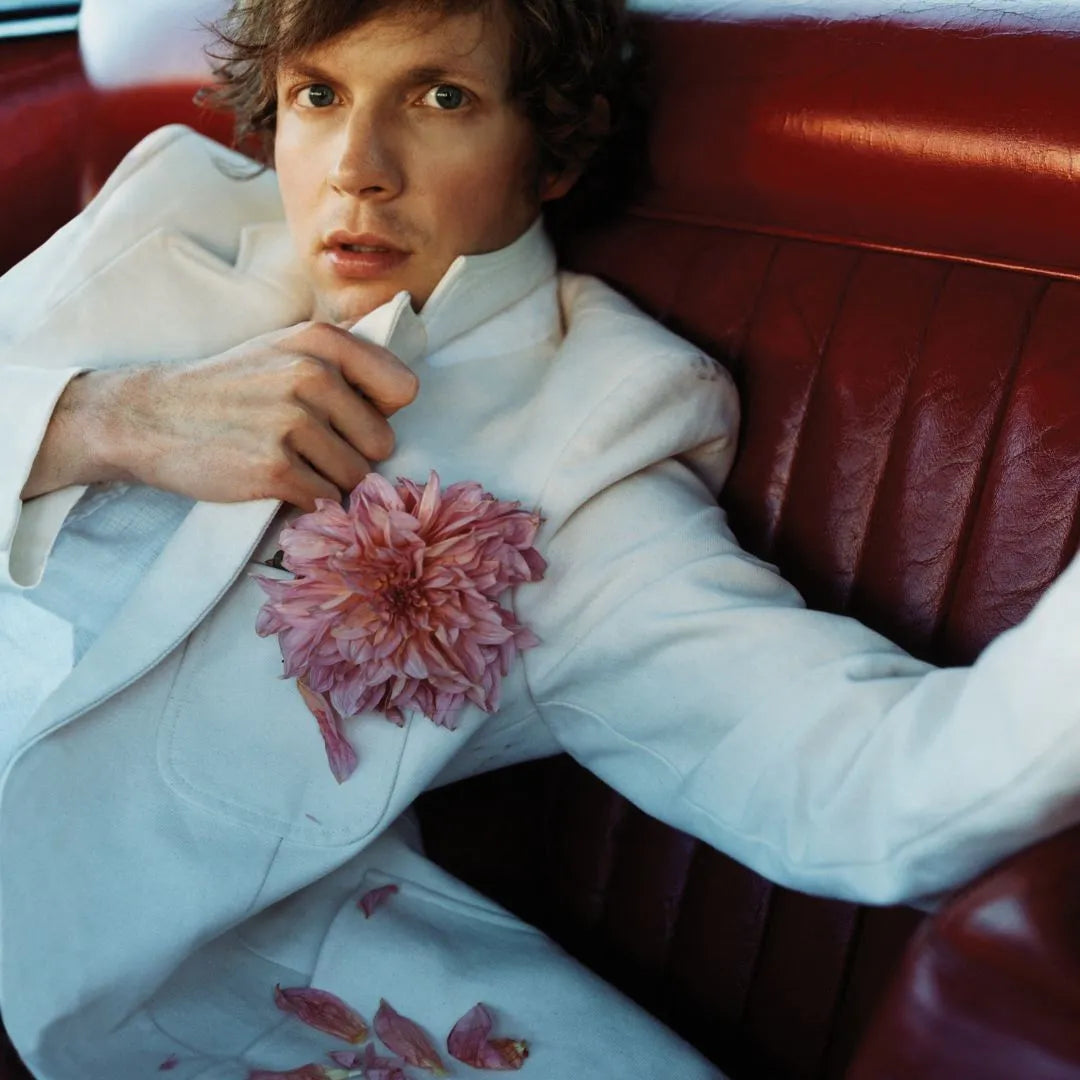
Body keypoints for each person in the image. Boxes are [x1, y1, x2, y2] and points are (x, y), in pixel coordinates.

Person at [2, 0, 1080, 1077]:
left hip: (98, 1000)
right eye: (318, 95)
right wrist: (99, 420)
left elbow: (884, 793)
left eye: (441, 98)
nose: (357, 168)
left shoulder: (587, 437)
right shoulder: (170, 220)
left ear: (549, 152)